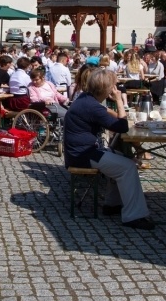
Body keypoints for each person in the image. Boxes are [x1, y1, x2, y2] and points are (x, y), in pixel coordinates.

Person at [64, 69, 154, 230]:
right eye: (114, 85)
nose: (116, 87)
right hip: (83, 155)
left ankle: (112, 204)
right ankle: (134, 216)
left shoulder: (86, 99)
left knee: (123, 160)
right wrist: (119, 100)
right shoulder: (92, 106)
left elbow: (109, 118)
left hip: (83, 151)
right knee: (128, 167)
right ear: (107, 88)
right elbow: (122, 127)